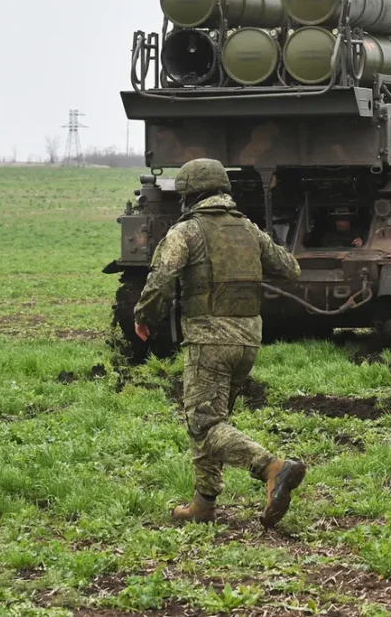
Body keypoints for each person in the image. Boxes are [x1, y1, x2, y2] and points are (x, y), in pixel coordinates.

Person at [133, 158, 305, 528]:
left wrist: (144, 316)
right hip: (248, 340)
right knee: (212, 420)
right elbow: (290, 268)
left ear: (188, 196)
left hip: (209, 340)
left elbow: (162, 276)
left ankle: (272, 468)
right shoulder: (248, 229)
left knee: (204, 425)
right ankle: (204, 504)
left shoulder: (188, 231)